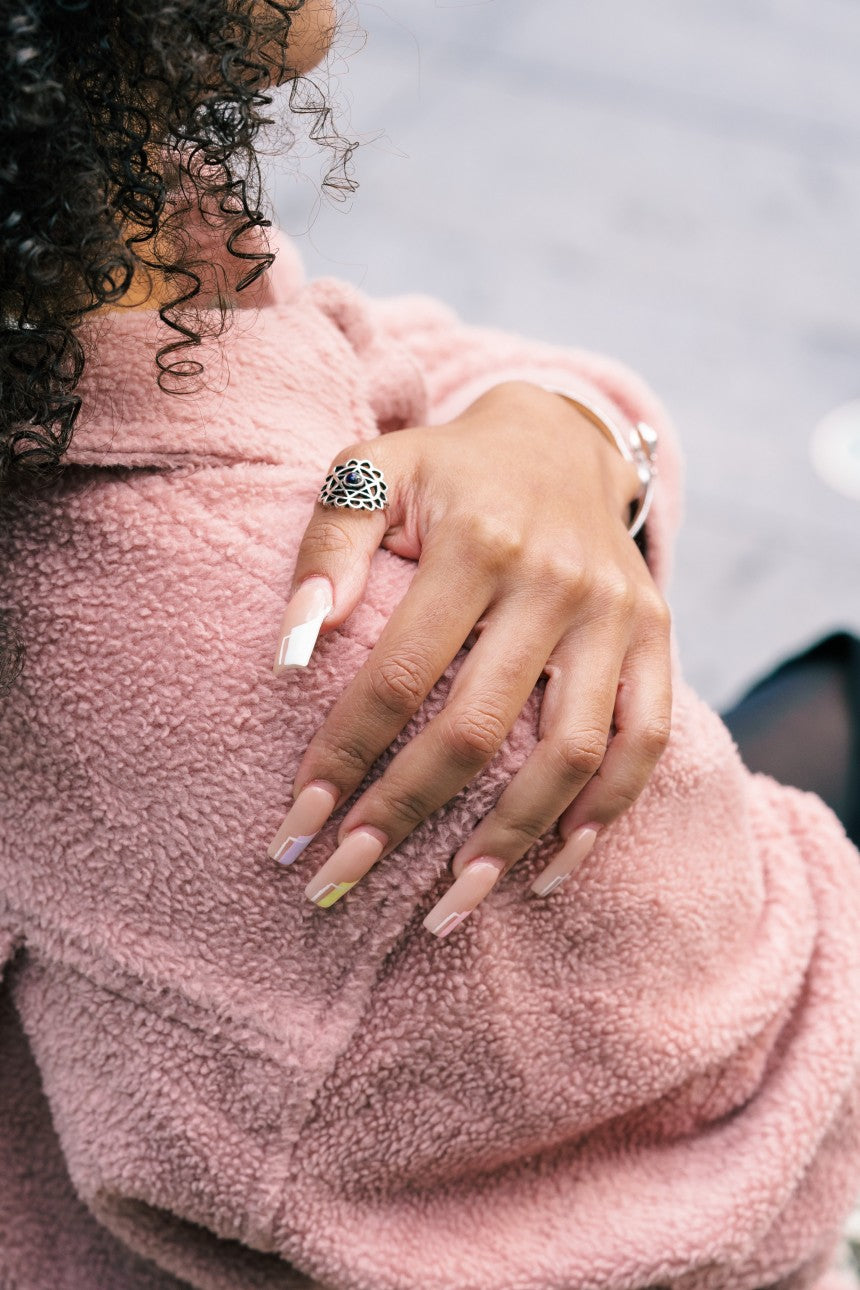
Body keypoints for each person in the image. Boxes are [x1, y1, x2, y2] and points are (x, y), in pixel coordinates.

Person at [0, 4, 858, 1289]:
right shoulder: (392, 696)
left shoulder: (70, 257)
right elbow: (775, 1097)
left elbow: (374, 348)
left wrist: (553, 428)